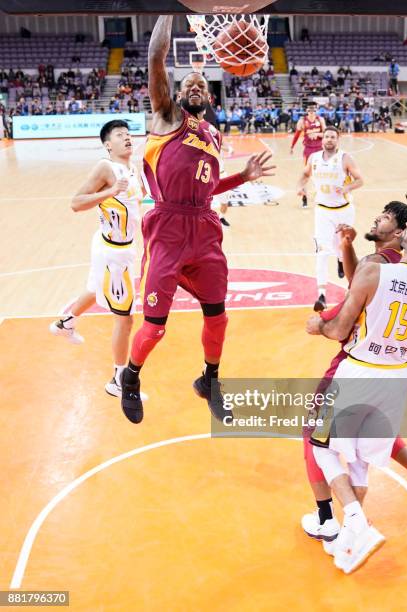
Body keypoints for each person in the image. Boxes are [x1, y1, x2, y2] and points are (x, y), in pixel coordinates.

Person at [119, 16, 275, 424]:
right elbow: (156, 57)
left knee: (218, 317)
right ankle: (130, 377)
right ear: (176, 92)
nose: (194, 87)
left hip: (204, 229)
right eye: (187, 84)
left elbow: (207, 189)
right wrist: (168, 10)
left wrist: (242, 177)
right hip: (167, 228)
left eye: (201, 85)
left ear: (210, 96)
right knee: (154, 328)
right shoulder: (167, 116)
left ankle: (210, 379)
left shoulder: (212, 134)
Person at [306, 215, 407, 573]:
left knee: (317, 440)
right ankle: (349, 542)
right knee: (358, 455)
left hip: (358, 370)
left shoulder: (373, 274)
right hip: (396, 378)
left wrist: (319, 325)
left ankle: (354, 520)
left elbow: (340, 328)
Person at [49, 120, 147, 400]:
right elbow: (76, 202)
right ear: (108, 144)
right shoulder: (106, 167)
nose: (127, 138)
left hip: (115, 246)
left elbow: (134, 205)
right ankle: (118, 380)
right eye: (120, 135)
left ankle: (65, 323)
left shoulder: (132, 169)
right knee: (125, 319)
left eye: (128, 134)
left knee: (95, 289)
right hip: (113, 251)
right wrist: (110, 191)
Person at [297, 126, 363, 311]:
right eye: (326, 136)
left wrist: (348, 188)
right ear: (322, 139)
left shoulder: (345, 158)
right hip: (323, 211)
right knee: (322, 250)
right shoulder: (314, 158)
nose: (329, 139)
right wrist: (300, 186)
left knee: (343, 248)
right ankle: (321, 294)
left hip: (344, 211)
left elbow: (360, 180)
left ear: (338, 139)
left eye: (333, 137)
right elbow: (304, 174)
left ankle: (342, 261)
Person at [291, 102, 326, 208]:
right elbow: (297, 134)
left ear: (316, 110)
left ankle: (324, 197)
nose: (311, 112)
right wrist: (292, 146)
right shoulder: (302, 121)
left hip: (320, 150)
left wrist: (317, 134)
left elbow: (326, 133)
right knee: (306, 175)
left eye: (313, 110)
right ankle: (304, 199)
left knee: (322, 174)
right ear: (307, 111)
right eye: (309, 110)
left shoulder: (321, 120)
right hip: (308, 150)